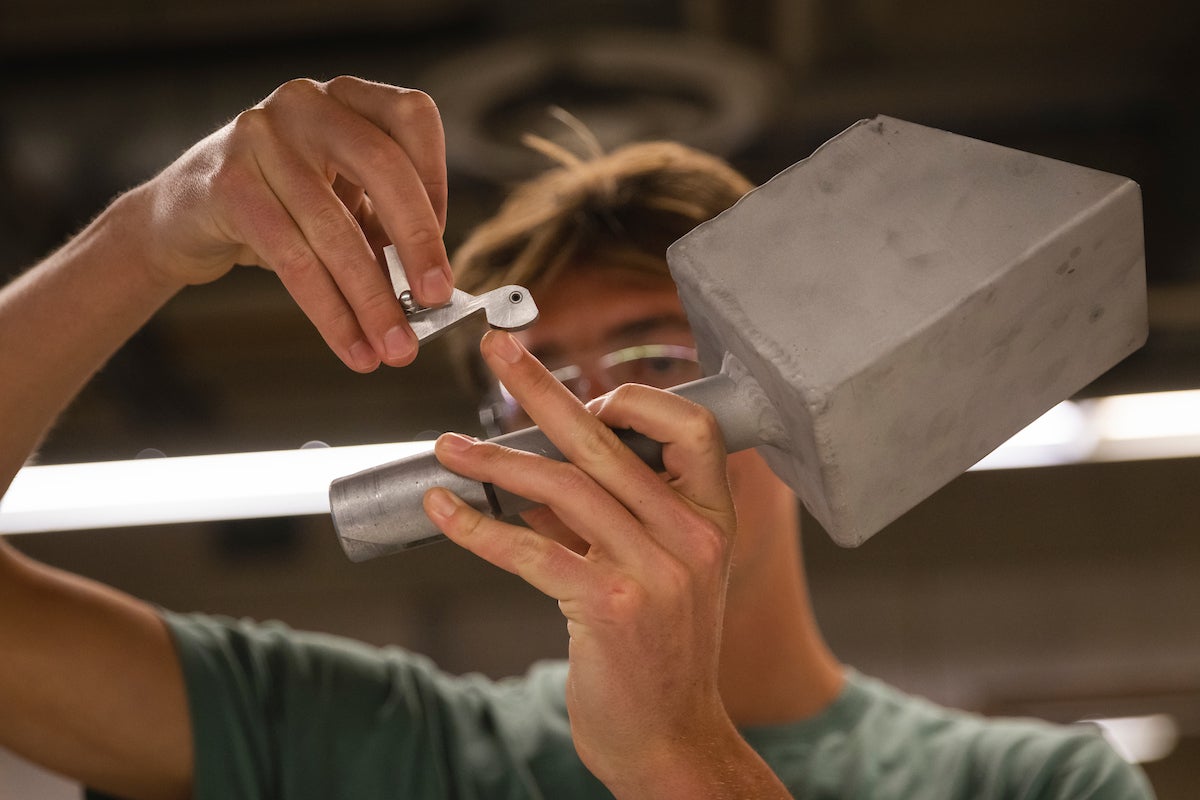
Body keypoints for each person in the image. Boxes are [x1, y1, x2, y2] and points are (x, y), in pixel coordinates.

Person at [0, 76, 1153, 800]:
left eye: (658, 359)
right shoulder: (385, 752)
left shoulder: (1030, 780)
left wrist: (678, 755)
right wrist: (149, 235)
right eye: (536, 390)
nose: (596, 422)